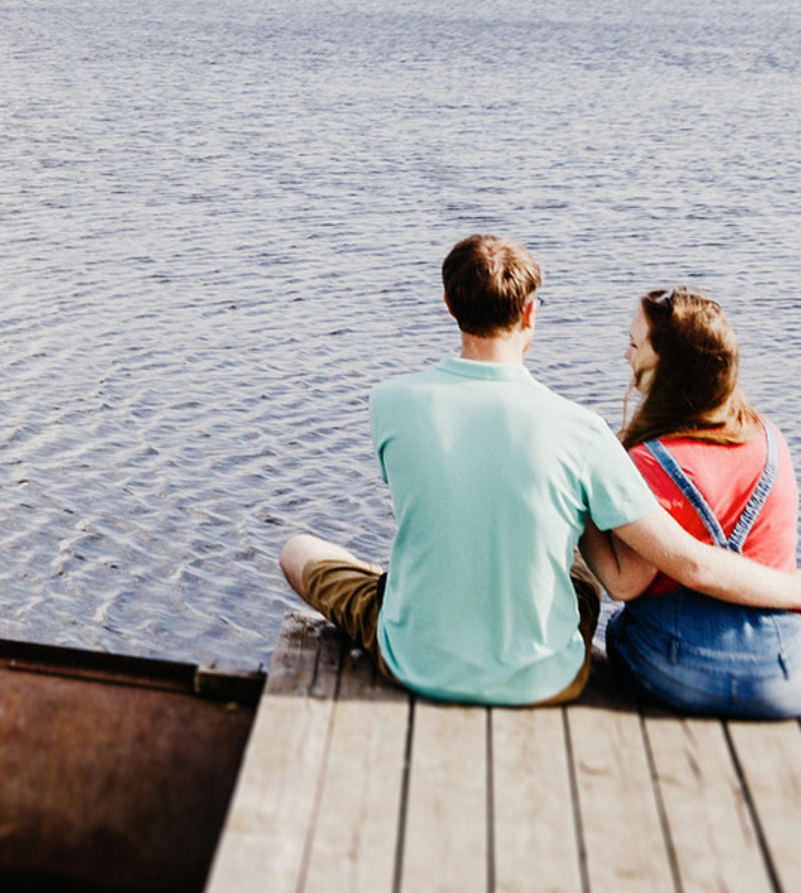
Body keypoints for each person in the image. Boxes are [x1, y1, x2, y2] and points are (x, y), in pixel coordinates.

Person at [278, 234, 801, 704]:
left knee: (298, 551)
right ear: (530, 314)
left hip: (413, 659)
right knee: (572, 558)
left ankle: (410, 595)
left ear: (448, 305)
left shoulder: (387, 402)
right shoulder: (582, 429)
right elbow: (686, 565)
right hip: (545, 679)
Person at [579, 288, 801, 717]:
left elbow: (624, 583)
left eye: (634, 345)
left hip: (684, 669)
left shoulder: (650, 463)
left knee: (621, 628)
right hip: (784, 672)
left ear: (667, 366)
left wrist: (587, 491)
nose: (626, 356)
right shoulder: (773, 442)